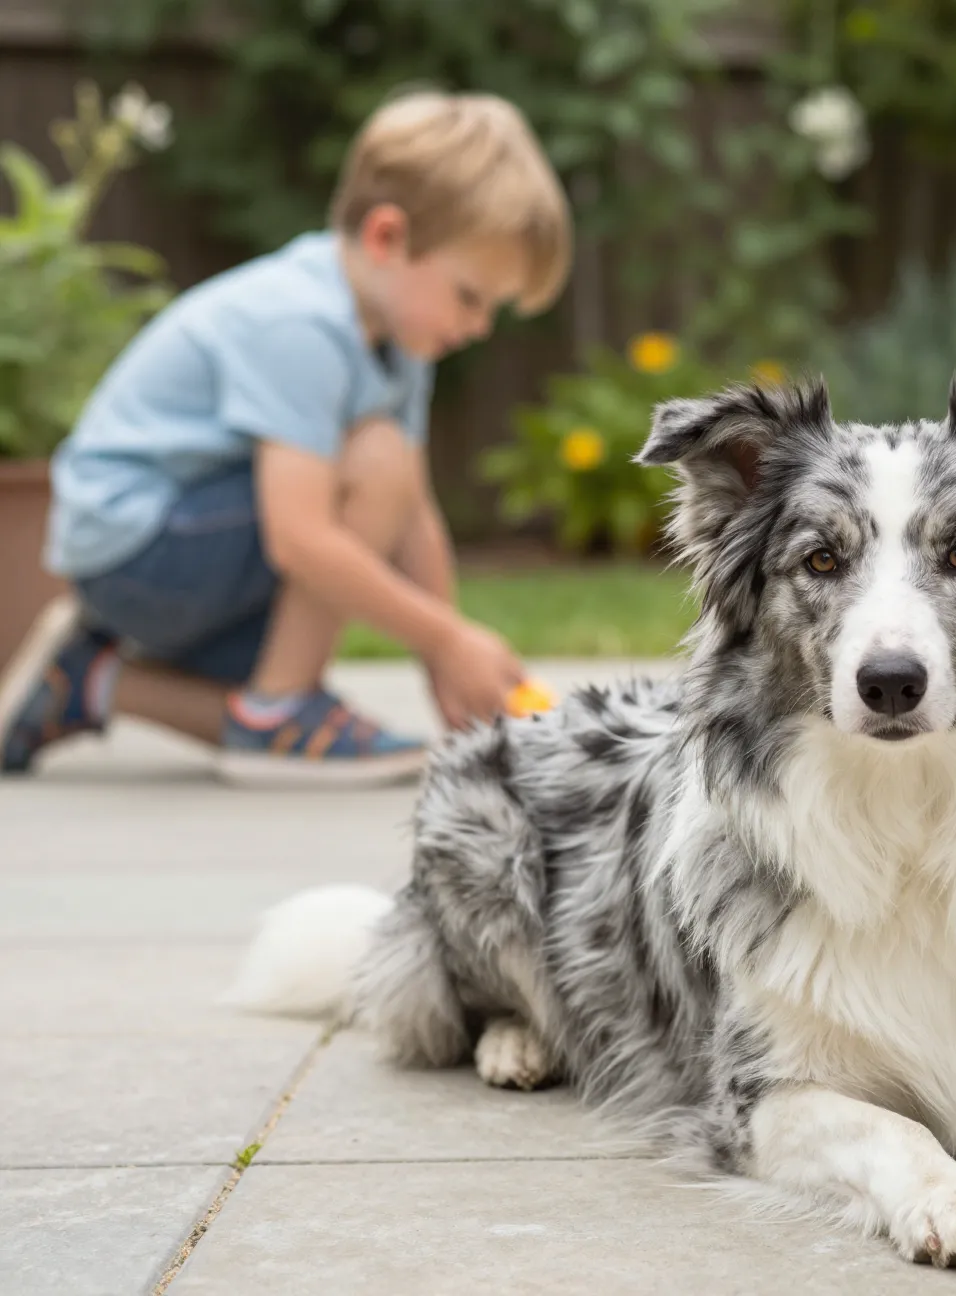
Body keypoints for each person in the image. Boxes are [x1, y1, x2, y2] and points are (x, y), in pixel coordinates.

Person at [0, 89, 571, 787]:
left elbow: (413, 513)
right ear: (387, 238)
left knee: (277, 673)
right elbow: (298, 538)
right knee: (376, 460)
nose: (480, 326)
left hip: (188, 559)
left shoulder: (400, 341)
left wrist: (446, 668)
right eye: (471, 296)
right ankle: (282, 711)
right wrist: (447, 638)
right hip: (137, 546)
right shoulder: (301, 324)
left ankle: (89, 681)